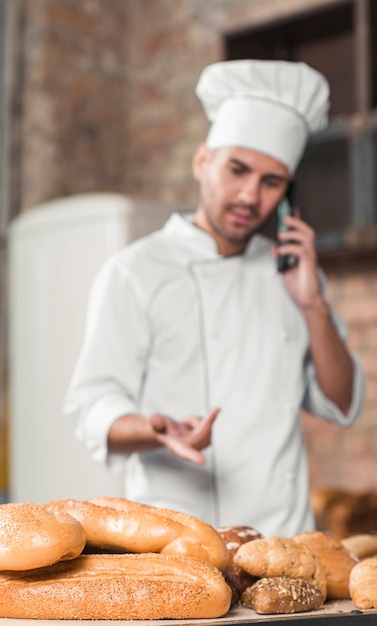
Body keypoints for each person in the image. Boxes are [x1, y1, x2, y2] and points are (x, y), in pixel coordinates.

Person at [63, 59, 366, 538]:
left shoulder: (295, 276)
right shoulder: (135, 271)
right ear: (203, 161)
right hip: (175, 543)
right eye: (237, 170)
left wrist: (312, 303)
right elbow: (91, 406)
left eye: (272, 182)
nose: (250, 195)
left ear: (287, 192)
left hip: (281, 542)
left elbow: (342, 401)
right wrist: (154, 430)